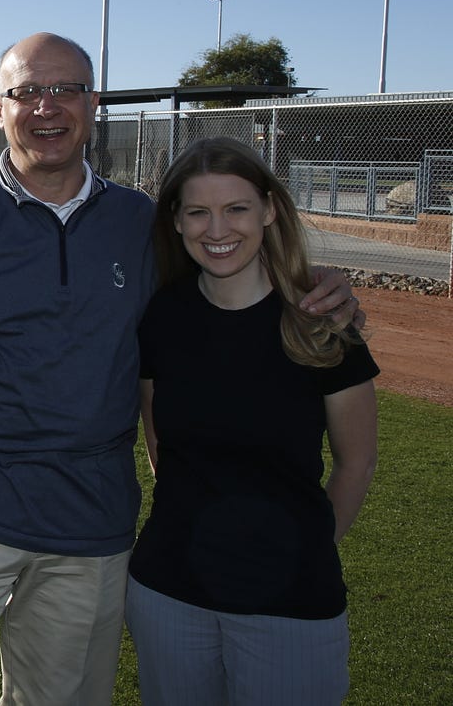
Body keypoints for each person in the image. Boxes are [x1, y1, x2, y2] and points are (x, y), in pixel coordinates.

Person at [0, 32, 357, 706]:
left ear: (93, 102)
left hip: (90, 527)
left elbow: (231, 268)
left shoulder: (141, 224)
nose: (47, 107)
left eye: (65, 89)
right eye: (27, 92)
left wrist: (321, 283)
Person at [125, 137, 378, 705]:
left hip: (290, 600)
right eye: (198, 211)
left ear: (268, 209)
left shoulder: (321, 320)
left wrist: (303, 548)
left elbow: (357, 463)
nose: (218, 228)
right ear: (177, 220)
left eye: (236, 208)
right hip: (169, 590)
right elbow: (159, 446)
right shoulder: (162, 316)